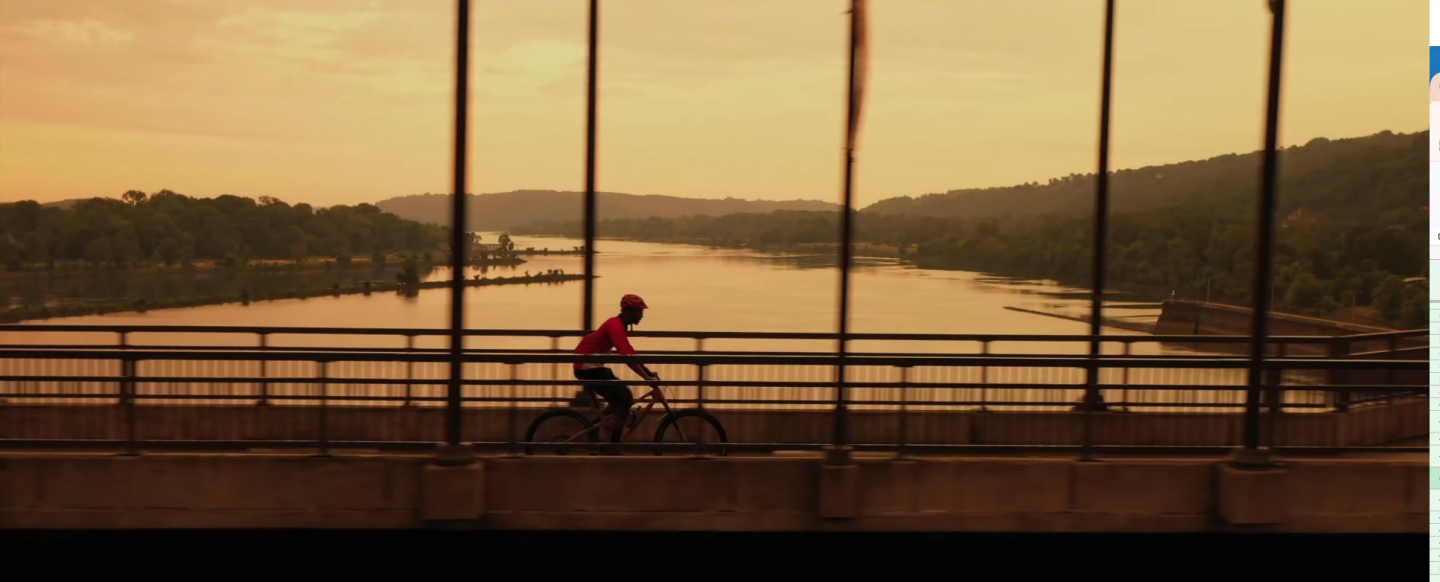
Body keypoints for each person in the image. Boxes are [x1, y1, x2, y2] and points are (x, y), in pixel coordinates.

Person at [573, 294, 662, 447]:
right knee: (625, 396)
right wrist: (646, 378)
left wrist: (647, 373)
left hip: (593, 366)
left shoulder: (619, 325)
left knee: (619, 398)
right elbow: (626, 356)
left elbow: (630, 352)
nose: (642, 315)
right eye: (639, 311)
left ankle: (594, 430)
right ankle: (613, 446)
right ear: (629, 311)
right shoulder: (615, 325)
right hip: (586, 368)